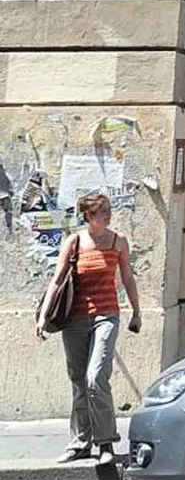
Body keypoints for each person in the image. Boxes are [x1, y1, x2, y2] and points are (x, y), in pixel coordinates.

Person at [35, 194, 141, 465]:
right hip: (75, 320)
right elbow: (57, 281)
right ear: (89, 216)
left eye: (108, 210)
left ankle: (106, 442)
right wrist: (43, 317)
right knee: (79, 381)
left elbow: (127, 277)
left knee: (96, 378)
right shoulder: (75, 242)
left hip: (106, 317)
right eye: (102, 211)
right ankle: (80, 442)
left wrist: (136, 312)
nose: (109, 214)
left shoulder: (118, 241)